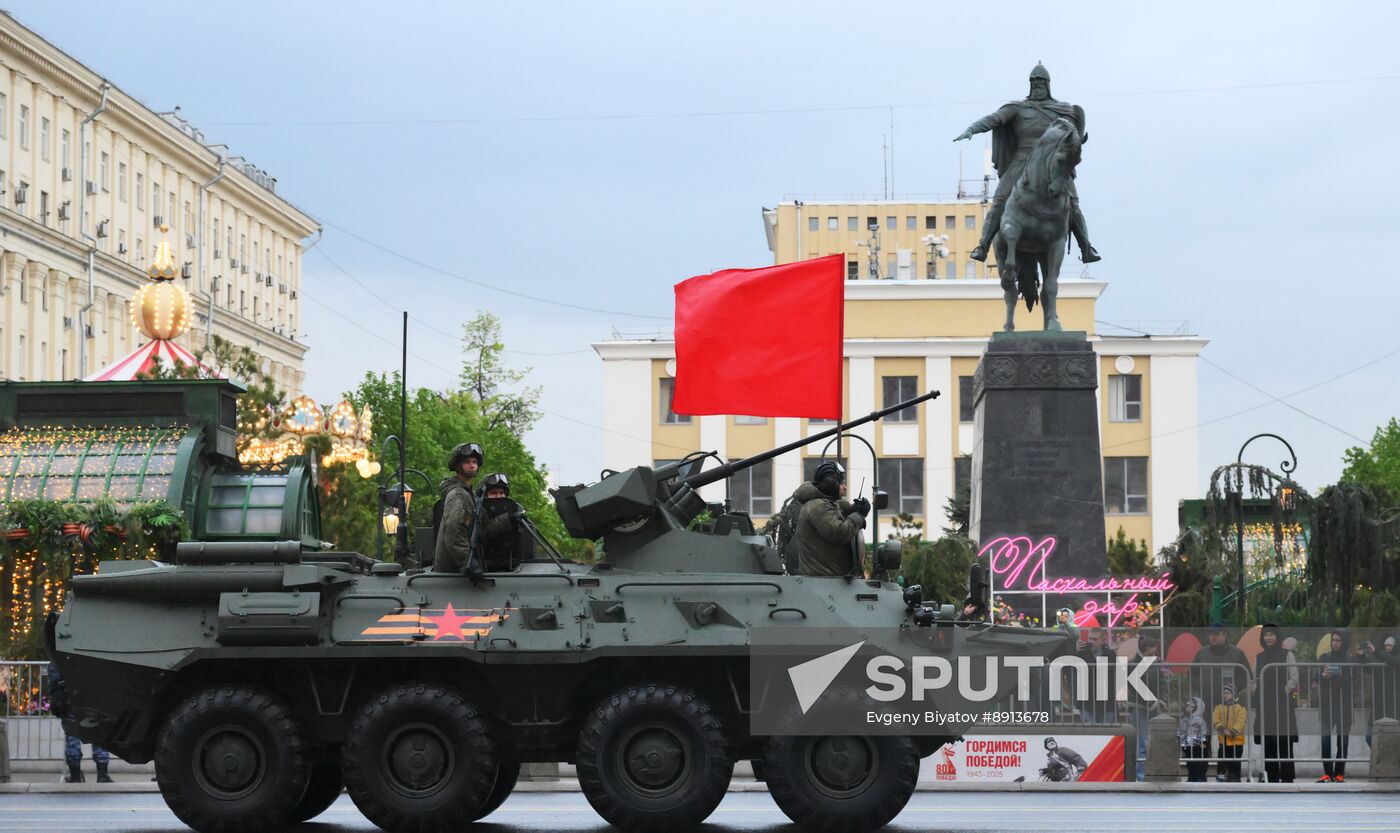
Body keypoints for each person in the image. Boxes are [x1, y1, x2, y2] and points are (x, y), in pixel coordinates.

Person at [953, 63, 1100, 264]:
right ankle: (983, 245)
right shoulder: (1017, 108)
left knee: (1073, 203)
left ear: (1048, 84)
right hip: (1020, 161)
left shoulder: (1064, 110)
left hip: (1053, 164)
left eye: (1041, 81)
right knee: (999, 200)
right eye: (1034, 81)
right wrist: (972, 128)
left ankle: (1086, 247)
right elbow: (994, 119)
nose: (1037, 84)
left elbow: (1074, 140)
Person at [432, 443, 512, 575]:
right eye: (467, 462)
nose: (472, 465)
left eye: (474, 462)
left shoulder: (470, 496)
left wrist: (508, 519)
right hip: (454, 577)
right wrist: (468, 564)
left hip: (459, 576)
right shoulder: (458, 495)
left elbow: (482, 531)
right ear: (457, 465)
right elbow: (453, 533)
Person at [1191, 622, 1250, 778]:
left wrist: (1233, 689)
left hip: (1229, 704)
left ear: (1225, 635)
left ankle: (1231, 773)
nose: (1213, 637)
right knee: (1203, 738)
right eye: (1211, 634)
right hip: (1206, 701)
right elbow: (1193, 674)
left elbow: (1245, 674)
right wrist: (1200, 689)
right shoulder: (1201, 653)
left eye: (1216, 634)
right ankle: (1199, 774)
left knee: (1229, 738)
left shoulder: (1237, 653)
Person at [795, 461, 869, 577]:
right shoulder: (818, 507)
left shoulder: (821, 504)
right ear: (831, 484)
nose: (845, 487)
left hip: (828, 581)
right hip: (824, 581)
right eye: (842, 483)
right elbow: (839, 533)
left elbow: (837, 509)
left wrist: (854, 508)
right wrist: (858, 516)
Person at [46, 662, 111, 783]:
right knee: (99, 735)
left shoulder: (58, 659)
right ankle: (102, 773)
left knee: (73, 738)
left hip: (70, 700)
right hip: (94, 699)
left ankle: (75, 775)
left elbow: (54, 683)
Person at [1252, 623, 1298, 783]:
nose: (1268, 637)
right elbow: (1254, 679)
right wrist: (1256, 692)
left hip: (1283, 704)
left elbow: (1294, 676)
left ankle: (1287, 777)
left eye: (1271, 634)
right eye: (1265, 635)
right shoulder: (1259, 657)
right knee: (1268, 741)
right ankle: (1270, 776)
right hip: (1265, 704)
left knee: (1285, 741)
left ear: (1277, 636)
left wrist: (1284, 690)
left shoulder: (1287, 655)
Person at [1317, 628, 1357, 782]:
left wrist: (1332, 676)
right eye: (1333, 640)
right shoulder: (1324, 657)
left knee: (1343, 741)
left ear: (1344, 641)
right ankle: (1327, 773)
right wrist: (1323, 676)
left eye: (1338, 640)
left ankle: (1339, 773)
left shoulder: (1350, 659)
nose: (1335, 643)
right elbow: (1316, 679)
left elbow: (1349, 680)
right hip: (1327, 705)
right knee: (1325, 740)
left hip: (1344, 705)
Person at [1126, 634, 1165, 780]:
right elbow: (1135, 687)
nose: (1153, 656)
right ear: (1143, 651)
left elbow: (1163, 681)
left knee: (1154, 742)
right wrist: (1151, 702)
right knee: (1141, 743)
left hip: (1154, 706)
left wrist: (1162, 699)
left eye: (1154, 653)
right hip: (1139, 707)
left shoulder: (1156, 662)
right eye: (1150, 654)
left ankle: (1151, 773)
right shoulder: (1132, 664)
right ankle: (1140, 776)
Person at [477, 472, 531, 571]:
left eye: (501, 492)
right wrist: (509, 519)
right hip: (485, 569)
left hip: (511, 567)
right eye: (494, 493)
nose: (499, 496)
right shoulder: (477, 512)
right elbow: (483, 533)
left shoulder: (515, 509)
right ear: (484, 496)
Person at [1212, 683, 1247, 782]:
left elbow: (1241, 721)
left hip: (1237, 740)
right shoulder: (1218, 707)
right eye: (1223, 693)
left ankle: (1235, 777)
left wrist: (1233, 732)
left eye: (1227, 693)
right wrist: (1223, 730)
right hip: (1223, 740)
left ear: (1233, 694)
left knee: (1235, 761)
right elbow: (1215, 720)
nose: (1225, 695)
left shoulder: (1241, 707)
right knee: (1222, 760)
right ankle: (1221, 775)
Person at [1179, 696, 1209, 782]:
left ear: (1197, 708)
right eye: (1187, 706)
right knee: (1190, 763)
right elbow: (1181, 731)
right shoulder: (1184, 720)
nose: (1188, 708)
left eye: (1191, 706)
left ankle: (1200, 777)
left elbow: (1204, 731)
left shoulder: (1199, 720)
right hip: (1188, 745)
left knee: (1199, 762)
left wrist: (1203, 742)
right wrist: (1181, 743)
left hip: (1198, 746)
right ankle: (1191, 777)